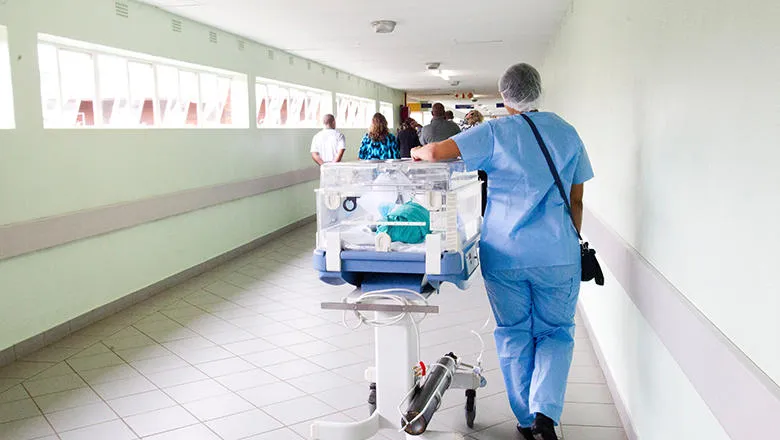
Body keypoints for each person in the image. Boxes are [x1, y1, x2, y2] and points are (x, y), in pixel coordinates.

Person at [411, 63, 594, 440]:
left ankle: (526, 421)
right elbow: (576, 200)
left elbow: (435, 153)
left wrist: (417, 148)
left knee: (514, 333)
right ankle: (546, 411)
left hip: (505, 253)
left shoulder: (495, 131)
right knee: (556, 332)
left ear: (506, 97)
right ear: (538, 91)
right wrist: (564, 238)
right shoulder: (567, 132)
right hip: (558, 254)